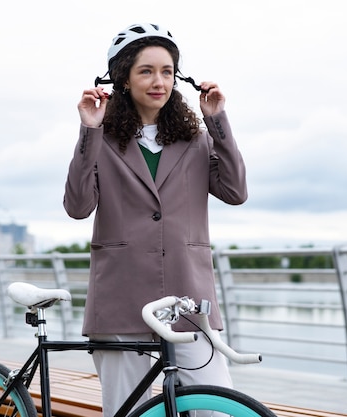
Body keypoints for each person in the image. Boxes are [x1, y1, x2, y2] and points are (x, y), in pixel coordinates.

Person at [63, 23, 248, 416]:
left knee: (216, 405)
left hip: (188, 297)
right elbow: (78, 206)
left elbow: (235, 191)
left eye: (166, 71)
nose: (158, 81)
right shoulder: (102, 139)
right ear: (124, 79)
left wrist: (217, 120)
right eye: (146, 71)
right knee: (125, 410)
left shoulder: (195, 139)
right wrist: (88, 130)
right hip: (120, 295)